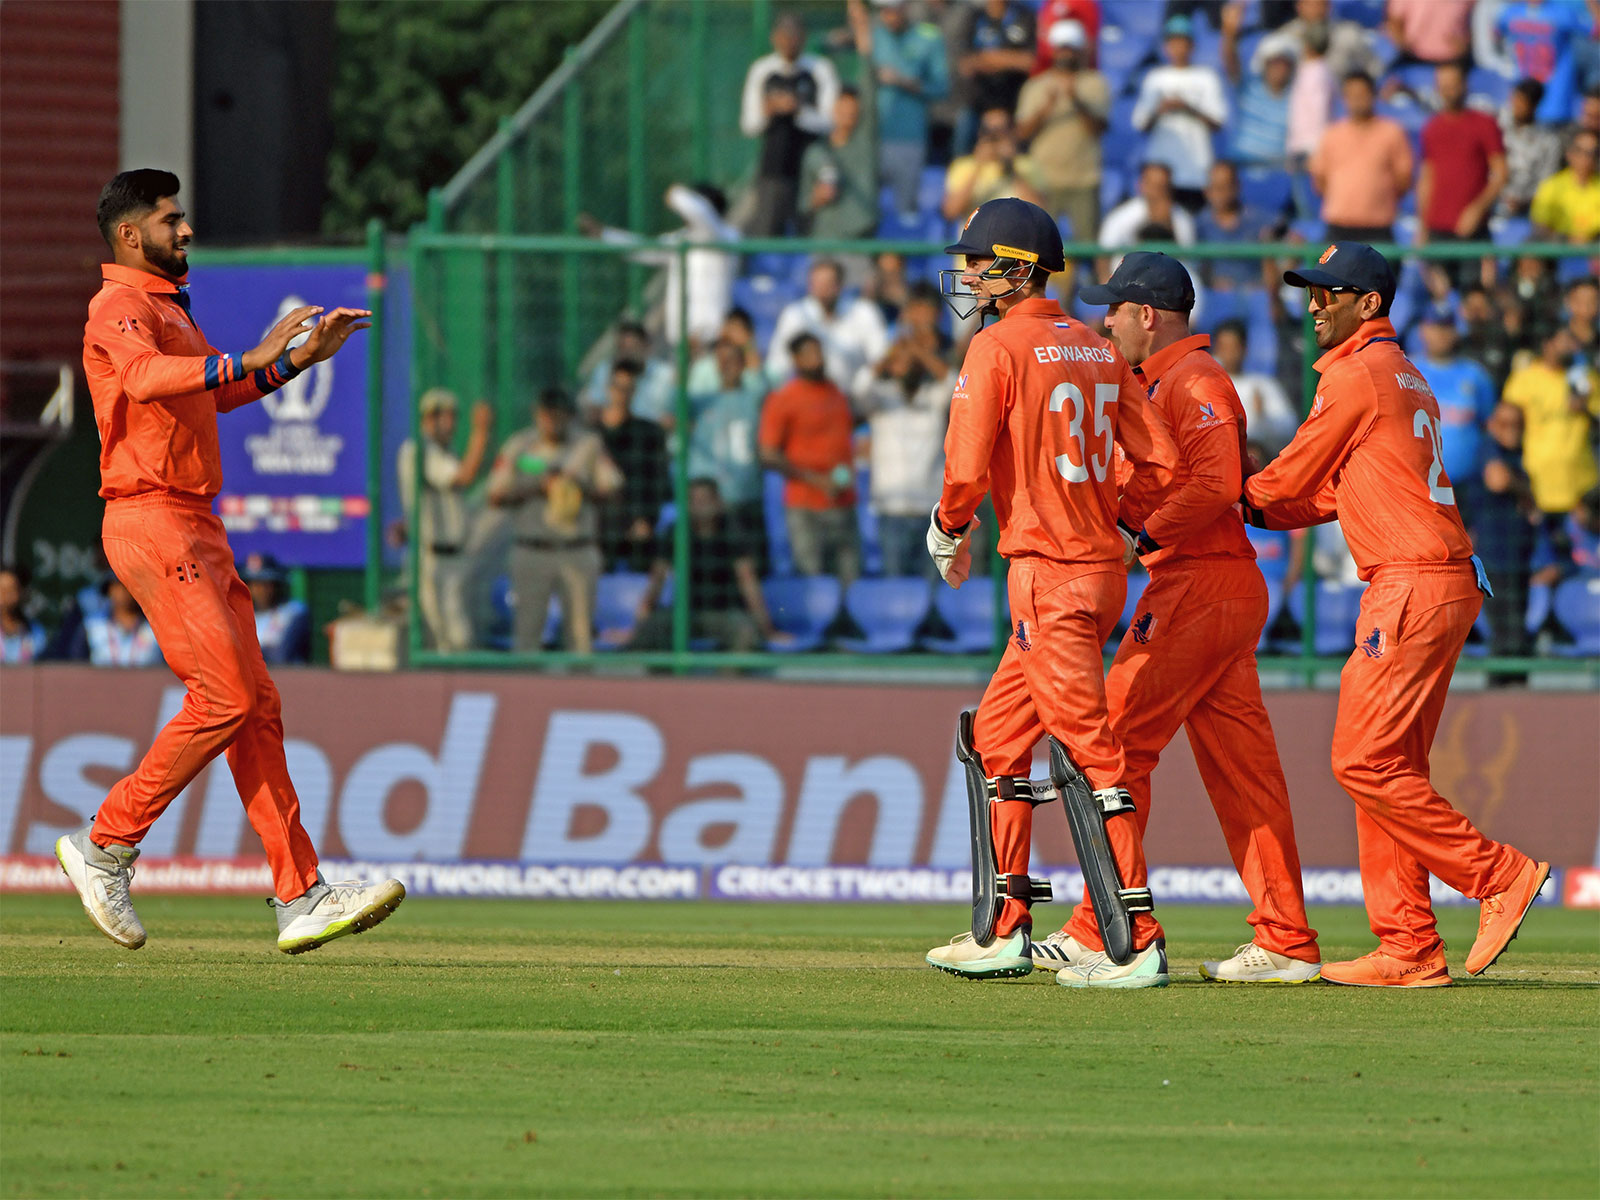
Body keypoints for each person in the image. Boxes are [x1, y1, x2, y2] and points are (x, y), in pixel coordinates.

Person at [62, 168, 403, 954]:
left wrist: (291, 365)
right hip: (152, 519)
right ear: (129, 235)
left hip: (194, 523)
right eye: (170, 220)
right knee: (223, 697)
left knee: (256, 705)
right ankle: (106, 844)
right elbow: (149, 380)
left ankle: (301, 894)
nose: (185, 231)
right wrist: (247, 356)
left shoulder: (163, 308)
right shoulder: (116, 309)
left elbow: (207, 394)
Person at [1241, 241, 1550, 986]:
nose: (1314, 305)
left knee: (1361, 759)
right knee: (1390, 766)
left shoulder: (1354, 374)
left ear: (1368, 303)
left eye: (1328, 293)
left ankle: (1498, 875)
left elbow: (1286, 481)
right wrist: (1258, 505)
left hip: (1409, 583)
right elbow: (1337, 489)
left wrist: (1229, 495)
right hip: (1440, 578)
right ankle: (1408, 944)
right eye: (1311, 292)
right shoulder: (1403, 373)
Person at [1044, 251, 1321, 984]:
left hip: (1198, 586)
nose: (1105, 322)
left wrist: (1143, 534)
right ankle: (1286, 938)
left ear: (1147, 315)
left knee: (1116, 746)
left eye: (1114, 310)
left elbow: (1217, 482)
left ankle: (1107, 928)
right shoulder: (1158, 381)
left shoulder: (1194, 380)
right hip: (1217, 588)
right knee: (1244, 774)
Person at [922, 198, 1179, 986]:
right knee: (998, 740)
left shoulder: (996, 347)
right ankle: (1003, 928)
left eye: (978, 261)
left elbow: (965, 471)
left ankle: (1135, 937)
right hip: (1096, 571)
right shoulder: (1102, 353)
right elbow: (1162, 462)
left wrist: (946, 526)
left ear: (1016, 268)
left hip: (1049, 577)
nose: (966, 274)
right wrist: (1116, 518)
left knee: (1092, 754)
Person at [488, 387, 621, 653]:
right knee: (527, 632)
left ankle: (581, 692)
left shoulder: (588, 445)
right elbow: (496, 495)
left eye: (560, 415)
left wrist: (578, 488)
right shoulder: (521, 446)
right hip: (533, 548)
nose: (553, 421)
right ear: (537, 415)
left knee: (581, 636)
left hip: (576, 548)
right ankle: (526, 692)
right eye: (547, 415)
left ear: (571, 416)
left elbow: (614, 490)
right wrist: (539, 488)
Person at [852, 283, 953, 577]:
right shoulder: (882, 398)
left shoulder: (932, 397)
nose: (904, 364)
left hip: (931, 509)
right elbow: (859, 389)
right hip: (891, 509)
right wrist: (891, 352)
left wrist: (919, 353)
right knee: (895, 589)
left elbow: (954, 384)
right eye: (899, 361)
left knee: (935, 595)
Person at [622, 478, 782, 653]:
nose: (699, 505)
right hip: (685, 612)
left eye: (705, 500)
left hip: (727, 613)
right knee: (652, 630)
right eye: (694, 500)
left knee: (746, 635)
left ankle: (728, 678)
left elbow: (748, 581)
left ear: (718, 502)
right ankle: (665, 678)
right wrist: (636, 630)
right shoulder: (675, 531)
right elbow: (655, 583)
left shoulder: (733, 532)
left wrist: (768, 631)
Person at [579, 187, 738, 355]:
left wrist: (675, 194)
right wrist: (605, 235)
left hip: (712, 341)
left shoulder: (725, 236)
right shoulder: (683, 238)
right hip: (681, 344)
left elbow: (701, 215)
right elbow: (646, 249)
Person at [758, 332, 862, 587]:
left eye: (819, 352)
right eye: (809, 354)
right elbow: (768, 454)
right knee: (812, 580)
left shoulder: (836, 393)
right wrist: (815, 479)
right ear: (796, 359)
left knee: (852, 580)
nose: (817, 359)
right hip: (805, 505)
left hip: (842, 500)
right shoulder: (784, 399)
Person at [397, 386, 493, 652]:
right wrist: (482, 432)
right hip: (435, 561)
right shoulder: (420, 449)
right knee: (452, 640)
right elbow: (462, 477)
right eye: (442, 416)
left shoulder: (442, 451)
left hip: (455, 558)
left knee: (458, 639)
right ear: (427, 419)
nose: (450, 423)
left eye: (453, 416)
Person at [739, 12, 840, 237]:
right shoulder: (762, 70)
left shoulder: (820, 69)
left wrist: (798, 110)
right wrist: (769, 110)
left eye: (794, 37)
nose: (789, 42)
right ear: (774, 38)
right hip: (774, 168)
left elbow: (832, 122)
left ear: (803, 38)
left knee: (810, 232)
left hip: (810, 167)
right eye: (784, 36)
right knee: (766, 231)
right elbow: (749, 125)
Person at [1014, 19, 1110, 241]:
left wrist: (1076, 100)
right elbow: (1023, 132)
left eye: (1070, 48)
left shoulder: (1095, 83)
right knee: (1039, 244)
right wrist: (1045, 109)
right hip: (1044, 179)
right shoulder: (1036, 85)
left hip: (1084, 178)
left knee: (1089, 243)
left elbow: (1099, 128)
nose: (1066, 54)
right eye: (1062, 48)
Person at [1502, 323, 1600, 535]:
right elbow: (1506, 420)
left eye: (1572, 341)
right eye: (1564, 340)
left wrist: (1585, 409)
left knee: (1584, 560)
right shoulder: (1525, 378)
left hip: (1580, 486)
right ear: (1547, 344)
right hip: (1538, 485)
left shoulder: (1585, 377)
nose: (1570, 346)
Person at [1130, 14, 1229, 211]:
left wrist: (1187, 107)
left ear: (1192, 45)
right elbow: (1140, 124)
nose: (1178, 48)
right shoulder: (1155, 78)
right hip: (1162, 172)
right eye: (1173, 42)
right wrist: (1161, 109)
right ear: (1166, 46)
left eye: (1182, 42)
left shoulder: (1206, 77)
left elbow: (1218, 123)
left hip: (1196, 171)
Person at [687, 335, 769, 561]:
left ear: (743, 364)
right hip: (712, 503)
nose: (726, 366)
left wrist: (749, 345)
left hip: (747, 497)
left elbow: (767, 385)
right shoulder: (704, 401)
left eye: (732, 360)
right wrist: (686, 364)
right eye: (721, 361)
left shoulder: (754, 398)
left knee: (754, 564)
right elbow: (672, 405)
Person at [1412, 304, 1497, 519]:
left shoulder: (1475, 375)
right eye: (1435, 327)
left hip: (1466, 487)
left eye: (1447, 327)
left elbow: (1490, 424)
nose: (1441, 334)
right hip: (1417, 485)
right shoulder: (1406, 370)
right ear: (1423, 330)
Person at [1417, 62, 1507, 260]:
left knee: (1475, 289)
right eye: (1443, 86)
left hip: (1473, 229)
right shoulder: (1432, 128)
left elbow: (1500, 173)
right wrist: (1422, 226)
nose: (1449, 91)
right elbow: (1427, 177)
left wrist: (1477, 209)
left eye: (1453, 85)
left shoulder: (1484, 124)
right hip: (1437, 228)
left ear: (1465, 85)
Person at [1472, 403, 1541, 661]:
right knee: (1504, 636)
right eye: (1505, 423)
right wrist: (1526, 492)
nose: (1511, 430)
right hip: (1494, 557)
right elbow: (1497, 479)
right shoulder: (1488, 448)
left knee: (1517, 632)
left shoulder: (1520, 456)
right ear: (1492, 425)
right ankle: (1499, 695)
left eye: (1517, 424)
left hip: (1518, 556)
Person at [867, 0, 948, 219]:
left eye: (893, 10)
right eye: (884, 11)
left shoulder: (928, 37)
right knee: (868, 208)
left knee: (906, 210)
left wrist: (906, 82)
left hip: (909, 137)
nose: (889, 16)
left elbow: (941, 86)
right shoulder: (873, 36)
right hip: (872, 135)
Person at [1309, 71, 1414, 241]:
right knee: (1327, 265)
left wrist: (1378, 199)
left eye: (1362, 94)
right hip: (1338, 227)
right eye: (1352, 95)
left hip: (1378, 228)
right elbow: (1319, 178)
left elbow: (1404, 178)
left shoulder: (1392, 132)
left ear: (1373, 95)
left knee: (1383, 267)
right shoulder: (1332, 134)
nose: (1357, 100)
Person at [765, 258, 889, 389]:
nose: (823, 289)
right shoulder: (794, 315)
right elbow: (778, 363)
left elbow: (880, 357)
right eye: (817, 283)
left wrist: (862, 386)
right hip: (810, 398)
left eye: (829, 283)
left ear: (840, 285)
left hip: (857, 398)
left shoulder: (865, 312)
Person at [596, 362, 673, 574]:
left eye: (628, 388)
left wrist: (647, 520)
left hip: (637, 527)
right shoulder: (590, 433)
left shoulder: (650, 432)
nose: (622, 394)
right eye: (617, 387)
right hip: (597, 528)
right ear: (607, 388)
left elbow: (659, 481)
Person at [939, 106, 1048, 223]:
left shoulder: (1026, 165)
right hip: (976, 238)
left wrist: (1011, 168)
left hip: (1014, 237)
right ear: (980, 133)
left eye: (1001, 130)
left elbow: (1040, 212)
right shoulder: (963, 166)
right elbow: (951, 212)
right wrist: (978, 166)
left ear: (1011, 132)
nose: (994, 136)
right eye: (988, 131)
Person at [955, 0, 1037, 152]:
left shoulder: (1024, 16)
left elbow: (1030, 62)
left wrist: (988, 58)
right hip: (978, 106)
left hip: (1015, 107)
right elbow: (965, 64)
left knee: (1015, 162)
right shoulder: (974, 16)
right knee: (963, 162)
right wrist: (1009, 59)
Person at [1496, 0, 1593, 125]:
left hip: (1555, 101)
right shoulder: (1510, 12)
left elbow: (1595, 30)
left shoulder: (1562, 12)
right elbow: (1495, 35)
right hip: (1523, 97)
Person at [1212, 319, 1300, 454]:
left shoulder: (1263, 385)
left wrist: (1263, 417)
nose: (1229, 353)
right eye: (1224, 347)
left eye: (1233, 347)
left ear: (1244, 349)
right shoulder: (1208, 386)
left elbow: (1289, 427)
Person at [1194, 162, 1281, 294]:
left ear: (1237, 186)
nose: (1222, 194)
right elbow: (1193, 268)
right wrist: (1210, 281)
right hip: (1212, 297)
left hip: (1256, 295)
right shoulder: (1198, 225)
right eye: (1217, 188)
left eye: (1227, 186)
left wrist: (1268, 282)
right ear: (1207, 191)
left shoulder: (1260, 220)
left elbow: (1296, 243)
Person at [578, 321, 675, 429]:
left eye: (634, 347)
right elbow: (594, 408)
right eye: (623, 347)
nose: (628, 353)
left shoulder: (665, 374)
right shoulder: (605, 370)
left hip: (652, 436)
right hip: (615, 434)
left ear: (646, 346)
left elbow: (673, 416)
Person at [1098, 161, 1197, 261]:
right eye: (1153, 186)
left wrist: (1165, 221)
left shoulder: (1181, 219)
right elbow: (1103, 257)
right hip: (1127, 275)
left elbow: (1187, 258)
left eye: (1162, 187)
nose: (1157, 192)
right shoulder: (1120, 217)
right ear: (1141, 185)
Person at [1499, 79, 1565, 219]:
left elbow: (1547, 181)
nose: (1517, 105)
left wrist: (1525, 201)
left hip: (1528, 209)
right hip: (1493, 202)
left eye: (1523, 102)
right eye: (1516, 98)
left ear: (1535, 105)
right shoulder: (1496, 127)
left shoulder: (1548, 141)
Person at [1226, 37, 1295, 169]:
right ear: (1265, 65)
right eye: (1274, 63)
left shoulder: (1297, 99)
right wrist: (1230, 34)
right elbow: (1230, 62)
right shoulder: (1249, 86)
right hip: (1241, 165)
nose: (1280, 69)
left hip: (1277, 169)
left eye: (1285, 64)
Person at [1529, 128, 1600, 242]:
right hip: (1558, 245)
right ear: (1569, 154)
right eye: (1581, 151)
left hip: (1595, 245)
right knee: (1530, 255)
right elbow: (1541, 224)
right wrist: (1568, 240)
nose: (1587, 158)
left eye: (1593, 153)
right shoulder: (1551, 186)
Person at [240, 554, 310, 665]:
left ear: (276, 585)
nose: (259, 590)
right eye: (254, 584)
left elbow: (281, 656)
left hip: (288, 678)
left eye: (265, 584)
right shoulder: (240, 616)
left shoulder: (293, 611)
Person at [1385, 0, 1474, 67]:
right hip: (1415, 58)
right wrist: (1405, 46)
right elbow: (1394, 21)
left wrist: (1467, 45)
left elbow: (1480, 16)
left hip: (1454, 59)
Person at [0, 564, 48, 663]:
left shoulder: (36, 633)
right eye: (1, 590)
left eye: (9, 590)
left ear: (22, 592)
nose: (3, 597)